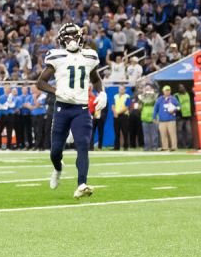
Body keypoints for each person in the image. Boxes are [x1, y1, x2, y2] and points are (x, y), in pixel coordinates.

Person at [35, 23, 103, 198]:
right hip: (62, 108)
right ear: (62, 40)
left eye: (74, 37)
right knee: (55, 151)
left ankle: (82, 184)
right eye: (68, 37)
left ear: (80, 38)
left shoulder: (90, 56)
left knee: (83, 145)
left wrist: (101, 92)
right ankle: (57, 168)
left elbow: (95, 78)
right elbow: (40, 82)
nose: (72, 40)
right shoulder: (56, 56)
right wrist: (56, 91)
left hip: (81, 108)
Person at [154, 85, 180, 152]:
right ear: (163, 91)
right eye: (166, 90)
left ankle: (174, 147)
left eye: (168, 90)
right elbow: (155, 109)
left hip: (171, 120)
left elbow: (179, 107)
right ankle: (165, 147)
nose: (167, 92)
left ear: (170, 91)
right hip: (162, 120)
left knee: (172, 134)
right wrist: (154, 117)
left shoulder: (173, 98)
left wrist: (174, 110)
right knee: (163, 134)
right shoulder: (159, 99)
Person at [110, 86, 130, 151]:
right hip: (116, 116)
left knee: (125, 132)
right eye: (120, 89)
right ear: (118, 89)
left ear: (124, 90)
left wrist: (117, 113)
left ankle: (126, 146)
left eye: (122, 89)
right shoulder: (115, 96)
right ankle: (116, 147)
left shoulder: (127, 96)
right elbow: (113, 105)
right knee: (116, 132)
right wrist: (114, 112)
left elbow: (126, 107)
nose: (121, 90)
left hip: (124, 116)